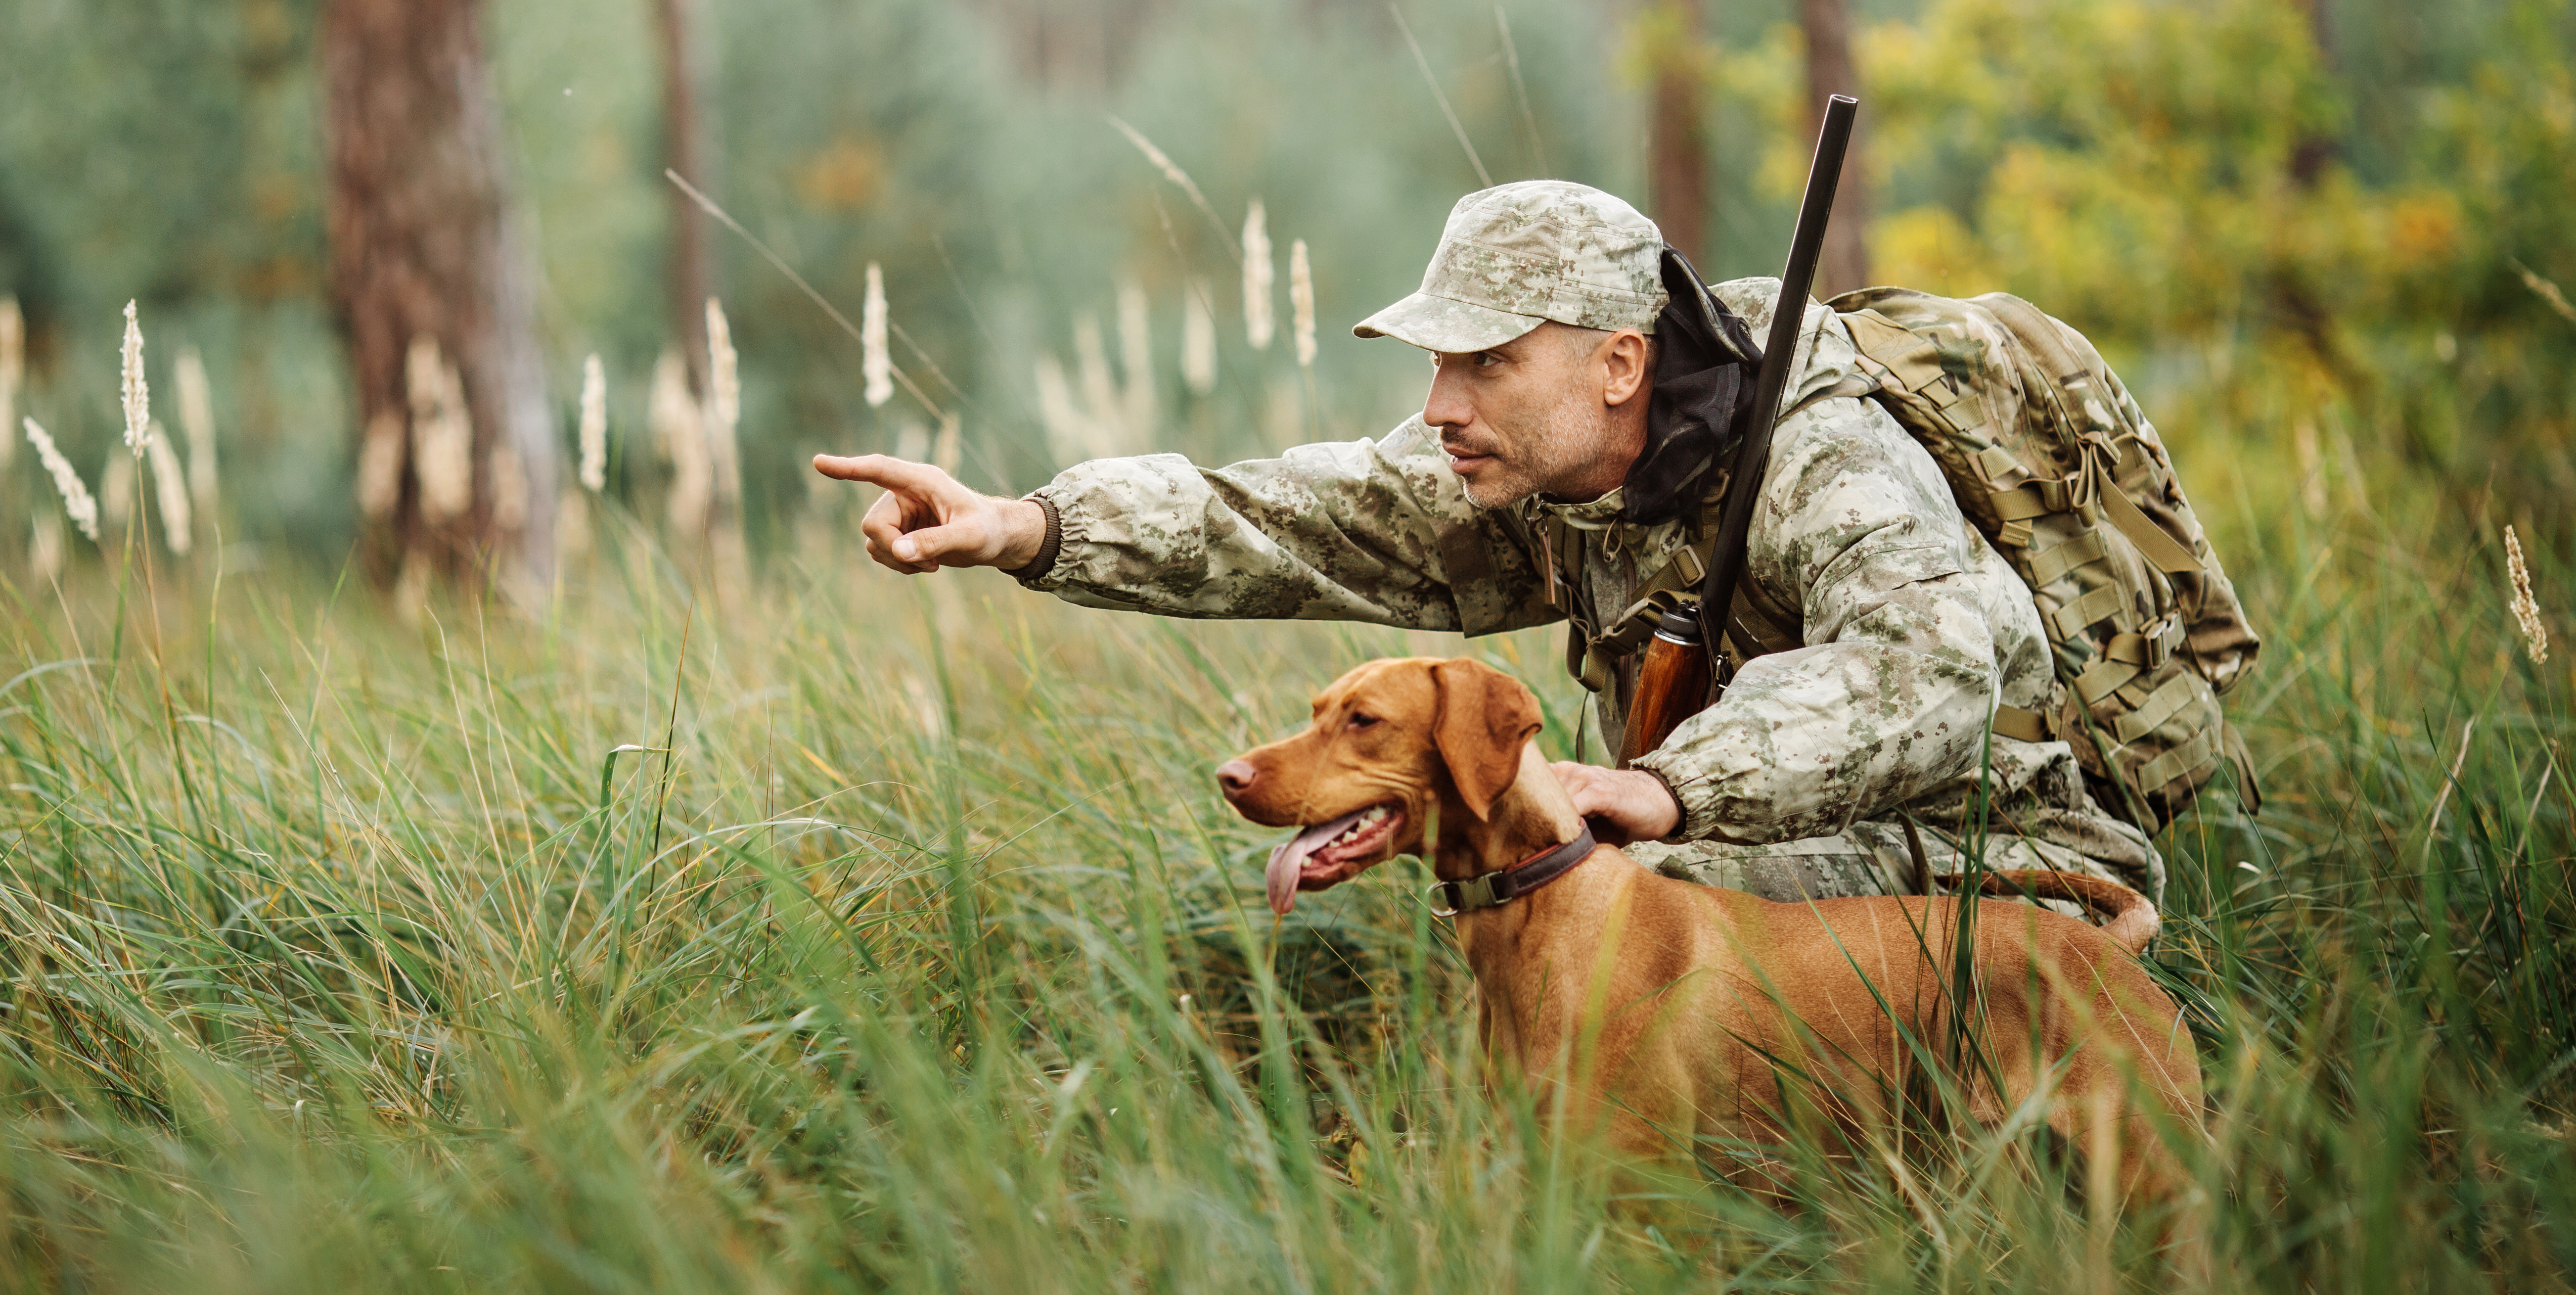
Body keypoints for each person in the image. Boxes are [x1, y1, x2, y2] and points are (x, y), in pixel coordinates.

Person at [813, 181, 2160, 906]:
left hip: (2005, 853)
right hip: (1752, 847)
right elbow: (1288, 517)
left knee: (1626, 886)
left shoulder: (1820, 454)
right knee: (1572, 887)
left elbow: (1931, 670)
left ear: (1621, 363)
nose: (1441, 408)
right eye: (1439, 364)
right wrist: (1025, 524)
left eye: (1489, 365)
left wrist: (1668, 790)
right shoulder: (1529, 462)